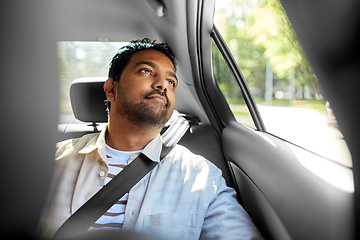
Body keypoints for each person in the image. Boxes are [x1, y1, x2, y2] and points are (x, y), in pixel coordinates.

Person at [39, 38, 263, 240]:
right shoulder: (48, 162)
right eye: (147, 71)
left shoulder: (202, 177)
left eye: (171, 82)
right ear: (111, 89)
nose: (163, 84)